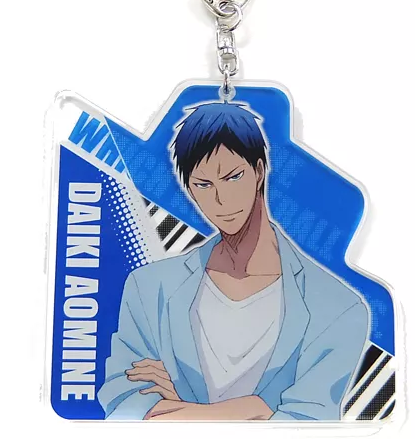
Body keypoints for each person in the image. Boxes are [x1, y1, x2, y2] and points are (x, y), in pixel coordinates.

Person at [98, 102, 369, 420]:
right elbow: (124, 406)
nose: (221, 199)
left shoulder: (338, 308)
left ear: (259, 171)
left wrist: (183, 411)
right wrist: (258, 410)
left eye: (233, 177)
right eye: (203, 185)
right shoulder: (149, 288)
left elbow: (308, 424)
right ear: (189, 189)